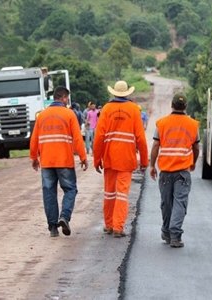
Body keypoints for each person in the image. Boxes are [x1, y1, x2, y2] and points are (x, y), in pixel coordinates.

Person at [30, 86, 88, 238]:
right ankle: (64, 216)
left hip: (47, 161)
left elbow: (34, 139)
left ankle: (53, 227)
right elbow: (77, 138)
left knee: (49, 193)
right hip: (64, 161)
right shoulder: (69, 114)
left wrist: (34, 157)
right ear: (63, 98)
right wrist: (83, 157)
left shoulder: (42, 116)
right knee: (70, 189)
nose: (67, 101)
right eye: (67, 99)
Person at [93, 80, 148, 238]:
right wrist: (144, 161)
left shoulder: (106, 109)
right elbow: (141, 139)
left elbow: (99, 137)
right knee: (121, 194)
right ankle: (118, 227)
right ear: (128, 93)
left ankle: (109, 225)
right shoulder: (133, 109)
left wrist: (97, 159)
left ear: (114, 93)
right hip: (126, 159)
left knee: (109, 193)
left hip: (109, 157)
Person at [149, 93, 200, 248]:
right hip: (182, 172)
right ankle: (175, 235)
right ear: (185, 106)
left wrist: (152, 165)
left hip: (165, 171)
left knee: (166, 203)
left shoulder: (162, 123)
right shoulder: (192, 124)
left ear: (172, 105)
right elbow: (196, 147)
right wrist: (193, 162)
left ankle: (166, 231)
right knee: (180, 202)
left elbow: (156, 146)